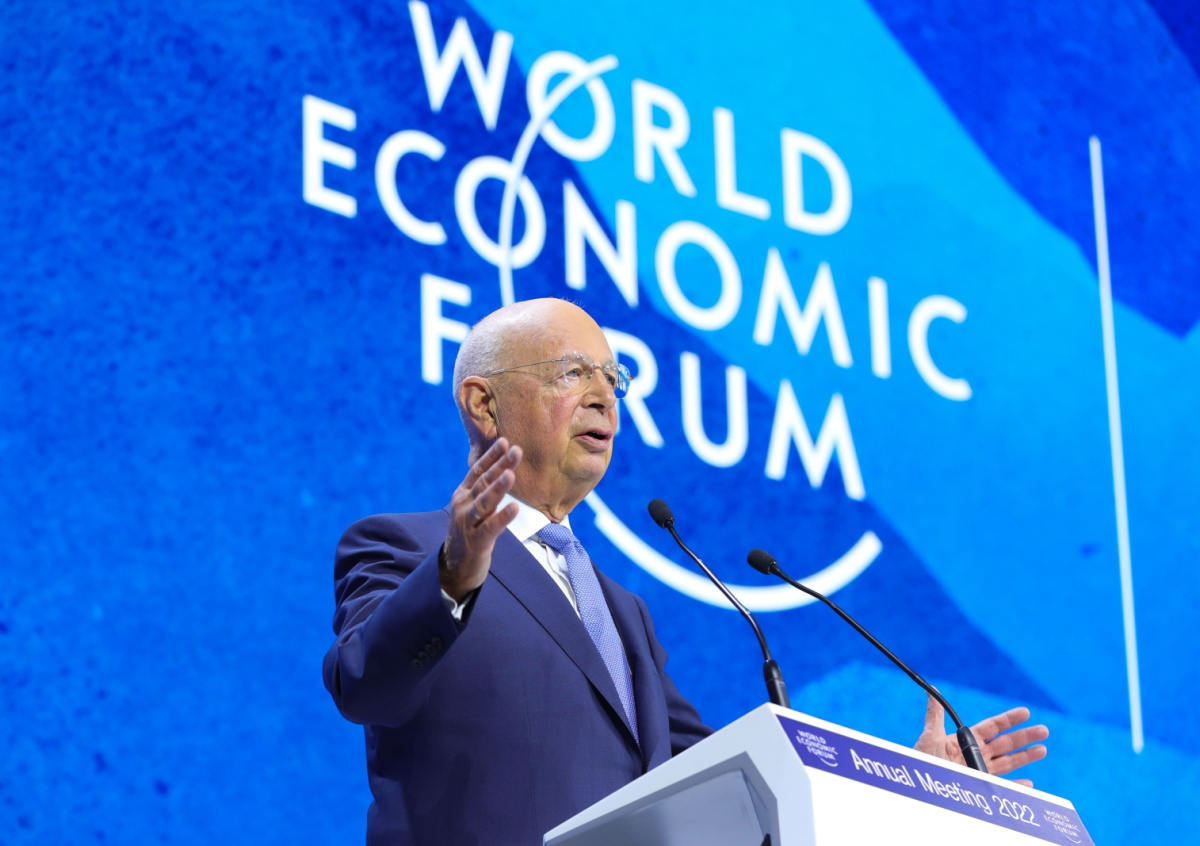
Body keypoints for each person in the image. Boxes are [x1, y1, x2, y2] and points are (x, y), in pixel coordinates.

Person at [322, 298, 1049, 846]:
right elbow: (365, 684)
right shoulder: (405, 547)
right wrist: (455, 573)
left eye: (614, 377)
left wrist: (903, 785)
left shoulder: (622, 611)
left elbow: (726, 779)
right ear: (484, 403)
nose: (605, 395)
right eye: (573, 373)